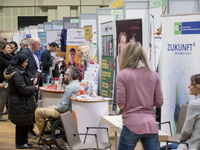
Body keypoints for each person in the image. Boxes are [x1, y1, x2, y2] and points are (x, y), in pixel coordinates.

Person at [116, 41, 163, 150]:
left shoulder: (122, 75)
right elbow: (159, 102)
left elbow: (121, 105)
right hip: (150, 125)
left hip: (131, 124)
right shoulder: (154, 75)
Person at [4, 53, 38, 149]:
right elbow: (22, 89)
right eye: (25, 62)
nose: (26, 64)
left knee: (24, 124)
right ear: (20, 62)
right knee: (21, 125)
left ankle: (24, 142)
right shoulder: (17, 73)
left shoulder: (18, 71)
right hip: (20, 102)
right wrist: (34, 88)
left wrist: (30, 81)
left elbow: (21, 85)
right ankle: (20, 144)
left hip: (21, 102)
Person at [35, 66, 80, 134]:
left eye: (65, 74)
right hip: (72, 112)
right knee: (47, 108)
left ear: (69, 76)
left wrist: (56, 107)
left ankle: (46, 135)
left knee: (38, 112)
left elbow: (63, 107)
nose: (64, 76)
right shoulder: (78, 85)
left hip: (65, 112)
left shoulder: (70, 88)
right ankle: (48, 133)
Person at [160, 74, 200, 150]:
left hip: (191, 145)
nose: (188, 86)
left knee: (162, 148)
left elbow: (187, 130)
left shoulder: (194, 104)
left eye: (191, 85)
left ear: (198, 88)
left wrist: (181, 139)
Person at [22, 36, 41, 137]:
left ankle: (30, 129)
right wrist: (30, 79)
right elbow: (23, 69)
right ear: (32, 44)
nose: (40, 46)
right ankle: (29, 130)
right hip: (29, 84)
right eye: (38, 44)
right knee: (29, 108)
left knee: (33, 107)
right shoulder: (25, 53)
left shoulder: (35, 53)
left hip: (34, 84)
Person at [0, 42, 12, 121]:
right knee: (3, 98)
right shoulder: (0, 57)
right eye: (8, 47)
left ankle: (11, 115)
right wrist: (0, 82)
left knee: (11, 98)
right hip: (4, 80)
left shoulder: (11, 56)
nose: (9, 49)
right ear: (3, 48)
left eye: (10, 48)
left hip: (11, 80)